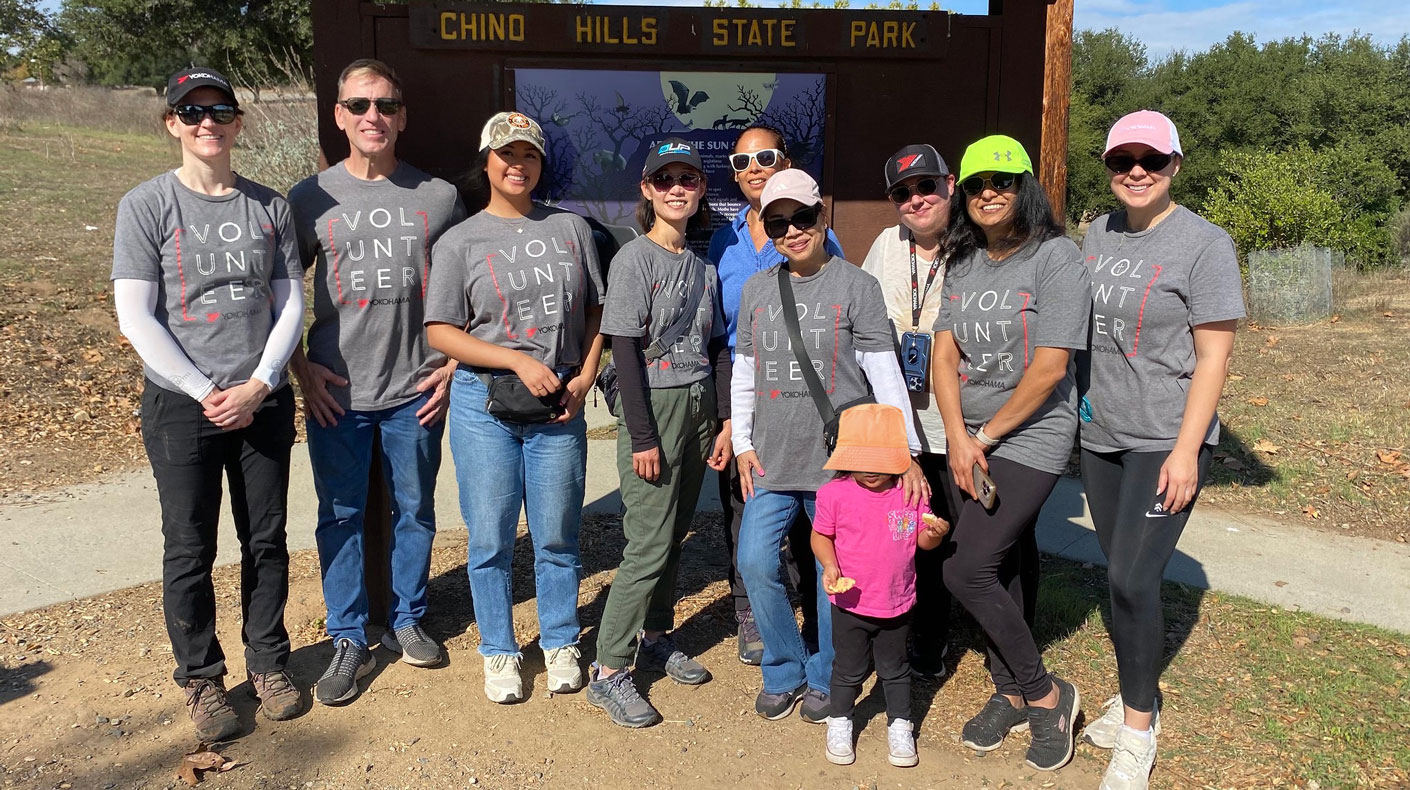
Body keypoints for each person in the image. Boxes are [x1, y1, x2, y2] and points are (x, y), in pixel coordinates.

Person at [112, 67, 305, 740]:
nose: (206, 122)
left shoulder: (270, 206)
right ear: (171, 123)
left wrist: (259, 383)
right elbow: (135, 317)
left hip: (264, 401)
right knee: (190, 548)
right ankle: (201, 679)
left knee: (266, 539)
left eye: (219, 110)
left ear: (238, 123)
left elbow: (291, 305)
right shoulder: (146, 204)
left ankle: (269, 663)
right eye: (191, 112)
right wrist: (206, 392)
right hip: (180, 406)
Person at [286, 58, 466, 706]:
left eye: (386, 105)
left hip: (415, 389)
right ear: (338, 115)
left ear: (402, 116)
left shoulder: (438, 197)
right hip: (338, 391)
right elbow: (278, 295)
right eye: (360, 105)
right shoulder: (309, 199)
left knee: (414, 509)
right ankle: (347, 636)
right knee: (339, 515)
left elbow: (469, 290)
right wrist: (301, 371)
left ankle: (408, 619)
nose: (373, 117)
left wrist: (453, 364)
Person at [1077, 111, 1243, 790]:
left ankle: (1139, 730)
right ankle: (1134, 689)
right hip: (1100, 435)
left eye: (1151, 159)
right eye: (1123, 160)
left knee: (1133, 581)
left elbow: (1214, 357)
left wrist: (1185, 451)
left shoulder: (1204, 244)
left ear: (1175, 164)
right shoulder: (1095, 232)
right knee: (1119, 574)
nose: (1136, 171)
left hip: (1163, 439)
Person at [732, 168, 927, 724]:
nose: (792, 231)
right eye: (778, 223)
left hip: (839, 464)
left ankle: (824, 674)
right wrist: (743, 443)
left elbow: (885, 376)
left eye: (803, 218)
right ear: (767, 230)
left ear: (822, 217)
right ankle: (783, 667)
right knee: (754, 561)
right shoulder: (757, 290)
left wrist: (904, 452)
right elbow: (744, 374)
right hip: (771, 459)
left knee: (830, 571)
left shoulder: (856, 287)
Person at [424, 111, 605, 704]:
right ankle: (499, 650)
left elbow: (598, 313)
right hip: (485, 404)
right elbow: (441, 331)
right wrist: (514, 359)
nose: (517, 165)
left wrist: (582, 380)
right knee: (492, 538)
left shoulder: (571, 230)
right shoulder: (460, 240)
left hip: (558, 402)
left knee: (556, 534)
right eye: (506, 155)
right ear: (487, 162)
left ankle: (558, 639)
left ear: (540, 163)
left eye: (528, 155)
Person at [930, 135, 1090, 772]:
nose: (987, 193)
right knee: (1006, 561)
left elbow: (1051, 368)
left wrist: (984, 439)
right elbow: (943, 354)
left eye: (1001, 181)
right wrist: (955, 434)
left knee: (965, 569)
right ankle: (1009, 689)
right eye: (975, 185)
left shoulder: (1057, 258)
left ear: (1026, 186)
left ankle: (1048, 694)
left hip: (1029, 434)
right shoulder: (963, 261)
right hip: (966, 436)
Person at [586, 138, 734, 728]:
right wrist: (641, 435)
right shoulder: (634, 260)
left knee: (674, 532)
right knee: (646, 540)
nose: (678, 188)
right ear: (647, 190)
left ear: (700, 191)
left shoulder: (702, 266)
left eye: (689, 179)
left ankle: (654, 633)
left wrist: (723, 421)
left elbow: (716, 348)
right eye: (665, 179)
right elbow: (622, 349)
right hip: (654, 408)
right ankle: (610, 669)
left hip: (698, 405)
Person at [707, 124, 844, 665]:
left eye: (764, 157)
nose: (754, 168)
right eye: (742, 162)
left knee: (816, 519)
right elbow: (721, 334)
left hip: (804, 395)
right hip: (743, 385)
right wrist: (728, 421)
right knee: (745, 511)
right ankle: (752, 614)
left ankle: (816, 620)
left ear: (784, 160)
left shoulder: (815, 234)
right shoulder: (725, 238)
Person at [860, 143, 958, 679]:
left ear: (949, 184)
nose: (916, 200)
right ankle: (904, 631)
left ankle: (935, 637)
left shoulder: (972, 246)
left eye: (926, 187)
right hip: (901, 424)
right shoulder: (886, 245)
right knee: (903, 535)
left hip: (958, 426)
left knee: (948, 536)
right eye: (903, 193)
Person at [811, 404, 950, 768]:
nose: (871, 470)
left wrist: (934, 535)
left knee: (895, 668)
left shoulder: (911, 493)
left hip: (897, 602)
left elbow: (922, 540)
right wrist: (829, 565)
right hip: (850, 602)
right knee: (848, 669)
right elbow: (820, 535)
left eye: (881, 461)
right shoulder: (834, 494)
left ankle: (900, 724)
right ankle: (839, 720)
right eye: (861, 460)